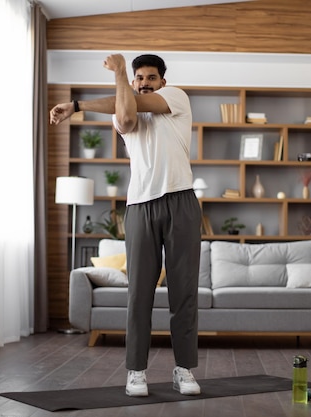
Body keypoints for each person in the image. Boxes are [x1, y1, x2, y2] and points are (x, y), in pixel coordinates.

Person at [50, 54, 202, 397]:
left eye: (151, 77)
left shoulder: (176, 97)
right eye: (138, 78)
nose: (144, 82)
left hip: (181, 203)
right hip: (140, 208)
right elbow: (129, 116)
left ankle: (184, 370)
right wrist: (117, 77)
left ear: (162, 81)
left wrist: (78, 103)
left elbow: (138, 103)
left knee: (184, 293)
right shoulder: (122, 112)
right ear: (131, 82)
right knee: (139, 295)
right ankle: (136, 372)